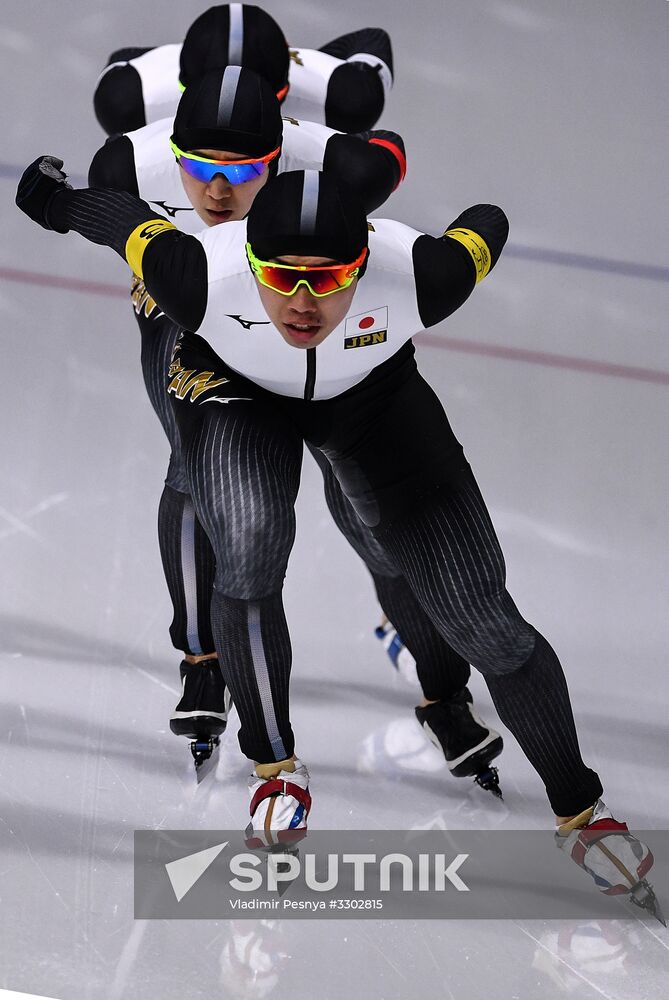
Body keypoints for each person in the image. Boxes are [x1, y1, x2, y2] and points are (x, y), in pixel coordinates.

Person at [16, 162, 662, 921]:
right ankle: (275, 766)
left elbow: (485, 222)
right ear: (248, 258)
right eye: (280, 277)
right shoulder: (195, 271)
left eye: (328, 281)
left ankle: (580, 811)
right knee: (251, 544)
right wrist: (55, 200)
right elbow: (119, 218)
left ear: (366, 263)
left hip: (370, 395)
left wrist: (467, 227)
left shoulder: (421, 274)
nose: (301, 303)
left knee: (484, 617)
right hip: (233, 388)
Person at [87, 65, 502, 793]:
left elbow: (390, 154)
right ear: (170, 145)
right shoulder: (129, 158)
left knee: (378, 525)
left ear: (282, 148)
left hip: (322, 343)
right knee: (196, 473)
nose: (218, 191)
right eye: (198, 166)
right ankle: (203, 661)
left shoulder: (336, 159)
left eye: (244, 168)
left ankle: (443, 687)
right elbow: (109, 216)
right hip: (210, 320)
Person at [94, 3, 393, 136]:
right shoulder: (129, 98)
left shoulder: (347, 98)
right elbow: (372, 40)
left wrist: (316, 61)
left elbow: (373, 37)